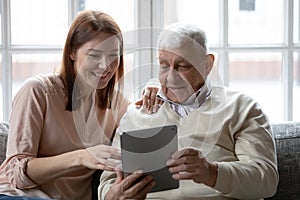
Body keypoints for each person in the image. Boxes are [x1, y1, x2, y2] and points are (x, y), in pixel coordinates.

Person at [98, 23, 279, 200]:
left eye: (183, 66)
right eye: (163, 65)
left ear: (207, 65)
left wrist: (211, 172)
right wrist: (114, 195)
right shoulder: (137, 113)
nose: (170, 78)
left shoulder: (241, 108)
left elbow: (266, 180)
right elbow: (107, 184)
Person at [0, 10, 159, 200]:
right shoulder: (38, 91)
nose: (105, 65)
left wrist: (157, 87)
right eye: (94, 55)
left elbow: (147, 122)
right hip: (19, 195)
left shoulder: (115, 104)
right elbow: (16, 173)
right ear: (72, 53)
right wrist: (82, 157)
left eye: (113, 55)